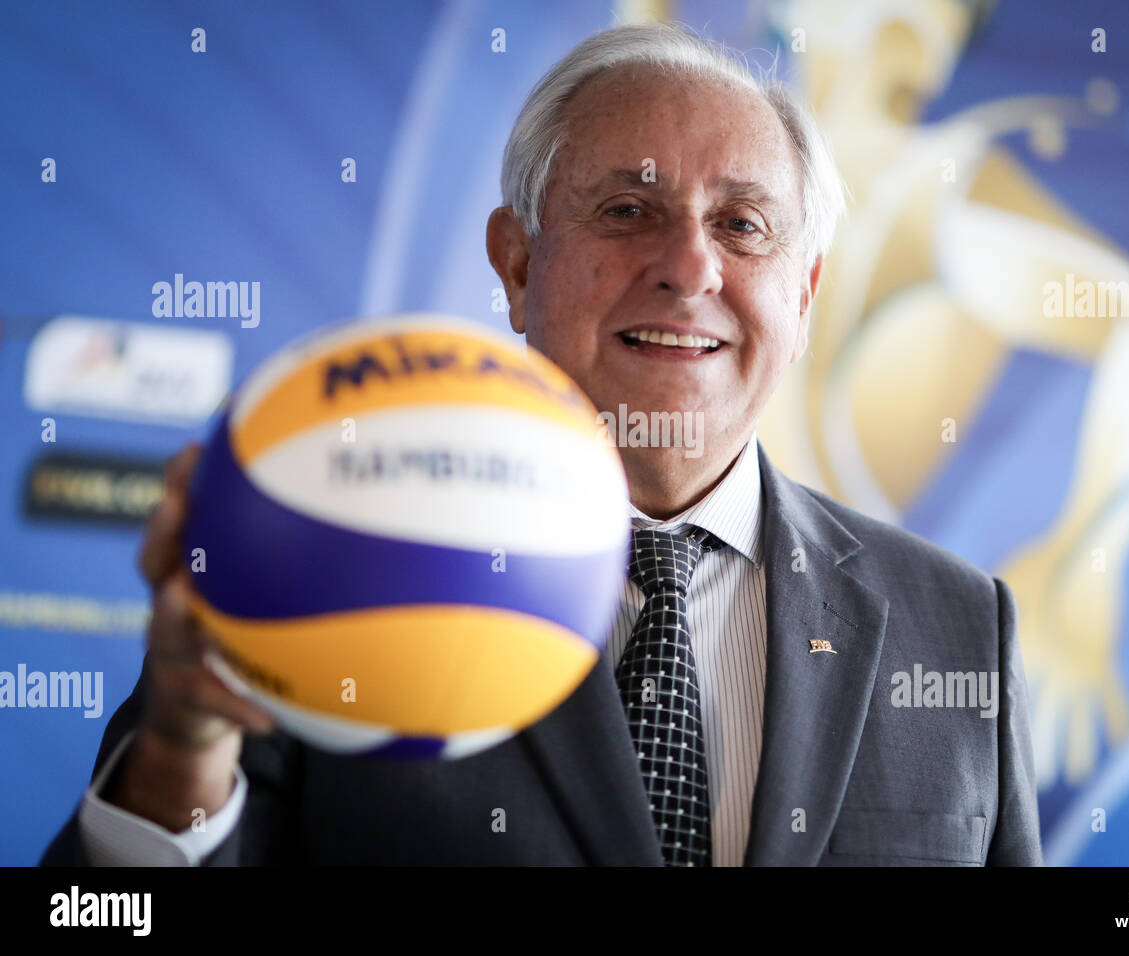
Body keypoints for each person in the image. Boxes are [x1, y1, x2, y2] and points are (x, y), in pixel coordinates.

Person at [42, 22, 1041, 867]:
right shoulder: (328, 559)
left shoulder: (958, 624)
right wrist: (182, 744)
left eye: (742, 225)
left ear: (806, 294)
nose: (689, 267)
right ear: (516, 265)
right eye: (626, 211)